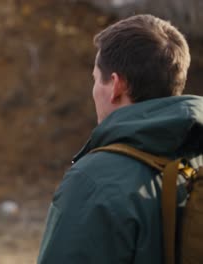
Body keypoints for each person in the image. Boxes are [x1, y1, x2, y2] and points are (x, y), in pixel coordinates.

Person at [37, 14, 202, 263]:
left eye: (95, 79)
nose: (93, 90)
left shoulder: (93, 181)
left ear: (116, 86)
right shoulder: (197, 156)